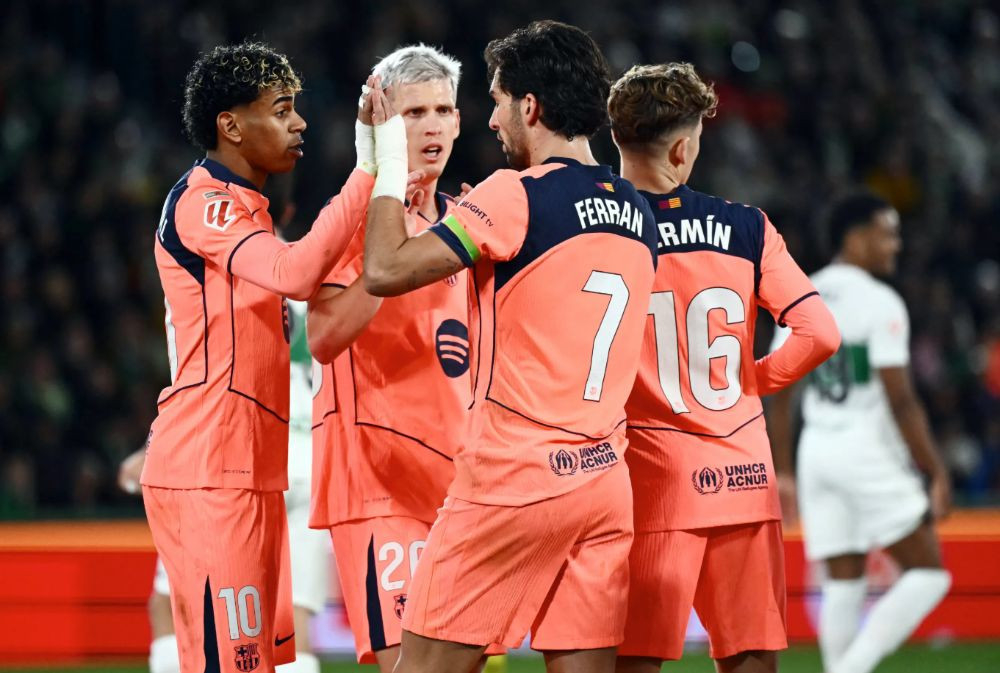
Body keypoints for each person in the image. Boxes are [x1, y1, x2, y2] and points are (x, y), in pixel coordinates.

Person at [360, 20, 658, 673]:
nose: (490, 120)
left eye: (497, 102)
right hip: (603, 481)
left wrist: (386, 158)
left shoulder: (514, 194)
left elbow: (383, 269)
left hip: (513, 477)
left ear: (530, 105)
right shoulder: (637, 211)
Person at [139, 40, 408, 673]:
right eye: (281, 110)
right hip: (208, 469)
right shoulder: (204, 202)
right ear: (230, 126)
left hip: (253, 469)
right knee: (231, 663)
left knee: (257, 661)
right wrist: (371, 167)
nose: (299, 123)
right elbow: (295, 272)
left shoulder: (250, 212)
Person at [606, 62, 840, 673]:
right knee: (752, 659)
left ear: (617, 137)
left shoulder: (595, 230)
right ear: (683, 149)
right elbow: (820, 334)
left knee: (635, 662)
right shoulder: (747, 226)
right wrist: (751, 381)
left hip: (649, 482)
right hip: (743, 477)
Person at [306, 44, 485, 673]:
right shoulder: (354, 218)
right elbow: (324, 337)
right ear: (383, 125)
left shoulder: (467, 222)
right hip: (380, 481)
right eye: (413, 113)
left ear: (459, 122)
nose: (432, 126)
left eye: (442, 110)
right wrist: (391, 253)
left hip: (459, 481)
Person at [767, 192, 952, 673]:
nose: (896, 245)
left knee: (843, 584)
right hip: (864, 448)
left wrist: (784, 470)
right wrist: (935, 470)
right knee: (930, 575)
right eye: (886, 233)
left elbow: (780, 393)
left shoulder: (802, 291)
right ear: (855, 238)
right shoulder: (879, 301)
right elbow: (901, 399)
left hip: (816, 452)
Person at [119, 301, 330, 673]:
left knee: (172, 607)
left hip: (240, 455)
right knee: (292, 618)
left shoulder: (229, 274)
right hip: (308, 455)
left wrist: (151, 448)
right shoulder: (311, 280)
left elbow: (209, 373)